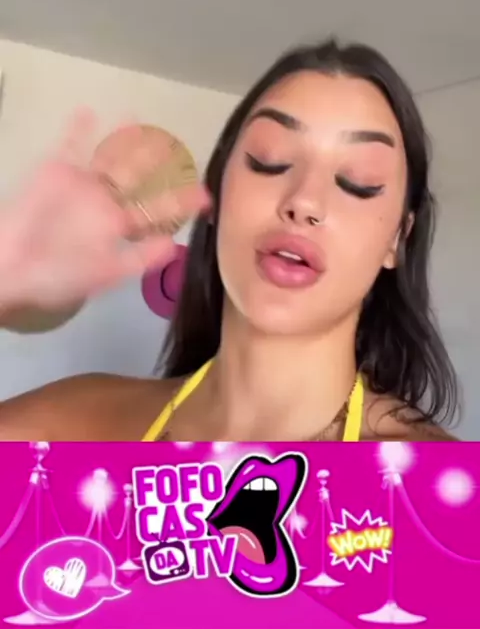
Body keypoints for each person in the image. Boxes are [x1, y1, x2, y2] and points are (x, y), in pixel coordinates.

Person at [0, 40, 459, 442]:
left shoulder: (445, 487)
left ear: (397, 240)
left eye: (358, 182)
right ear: (217, 194)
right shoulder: (63, 432)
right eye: (269, 160)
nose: (303, 201)